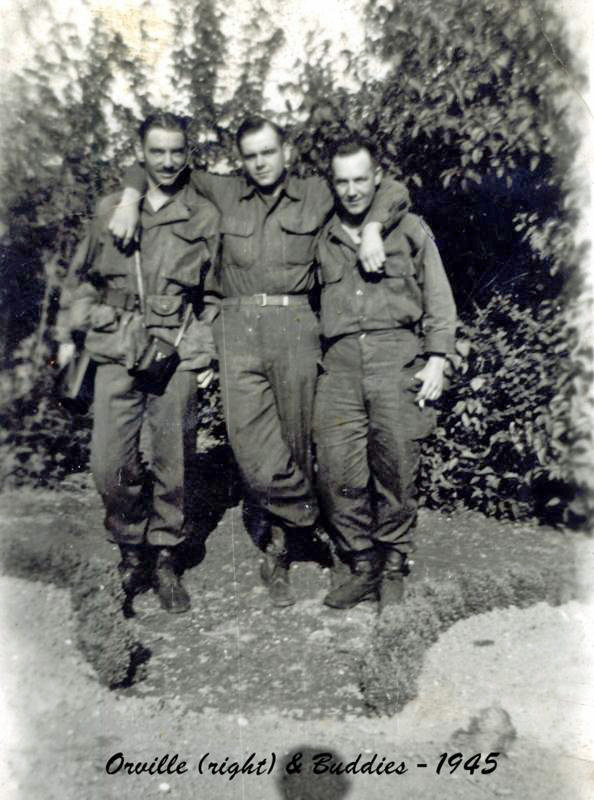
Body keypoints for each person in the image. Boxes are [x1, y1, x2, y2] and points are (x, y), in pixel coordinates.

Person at [108, 116, 410, 608]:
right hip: (238, 330)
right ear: (241, 160)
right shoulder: (223, 191)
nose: (261, 163)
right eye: (250, 155)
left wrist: (373, 227)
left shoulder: (316, 192)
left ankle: (279, 551)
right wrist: (127, 198)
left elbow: (391, 188)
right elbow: (158, 167)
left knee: (294, 442)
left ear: (286, 152)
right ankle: (312, 518)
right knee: (252, 451)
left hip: (296, 327)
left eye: (268, 152)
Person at [56, 111, 219, 614]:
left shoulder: (203, 215)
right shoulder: (111, 209)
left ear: (188, 153)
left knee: (176, 461)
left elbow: (214, 295)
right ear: (141, 153)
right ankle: (131, 549)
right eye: (157, 152)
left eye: (176, 151)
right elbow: (81, 279)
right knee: (109, 464)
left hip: (175, 351)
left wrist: (205, 349)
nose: (167, 162)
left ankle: (166, 556)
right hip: (115, 347)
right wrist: (69, 336)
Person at [313, 134, 457, 612]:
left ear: (377, 177)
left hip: (396, 359)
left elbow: (438, 296)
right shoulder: (323, 236)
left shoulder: (409, 229)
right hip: (339, 367)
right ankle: (363, 564)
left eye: (361, 179)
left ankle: (393, 565)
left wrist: (438, 357)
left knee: (396, 468)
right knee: (338, 472)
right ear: (332, 184)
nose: (352, 190)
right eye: (342, 182)